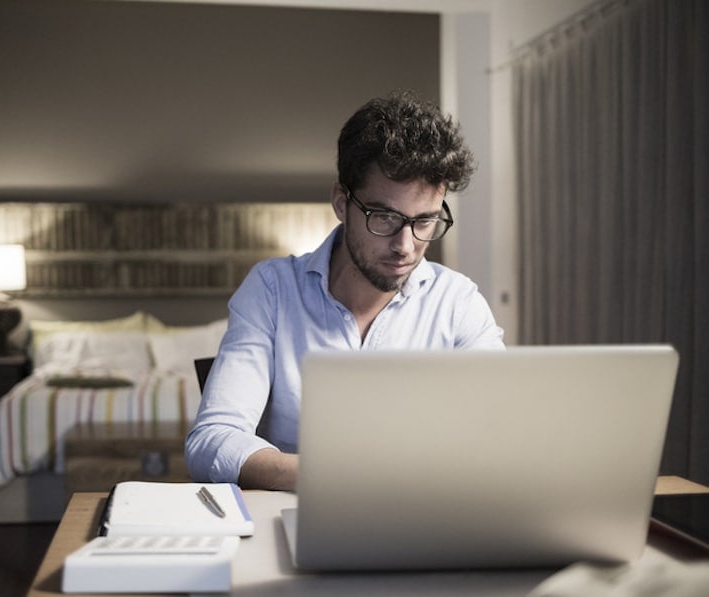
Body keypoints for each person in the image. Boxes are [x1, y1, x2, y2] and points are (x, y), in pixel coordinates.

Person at [185, 91, 504, 491]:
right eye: (384, 217)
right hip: (301, 521)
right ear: (341, 201)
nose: (406, 245)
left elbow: (500, 435)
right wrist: (335, 479)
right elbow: (211, 441)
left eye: (424, 221)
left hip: (426, 522)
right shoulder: (272, 290)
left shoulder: (458, 303)